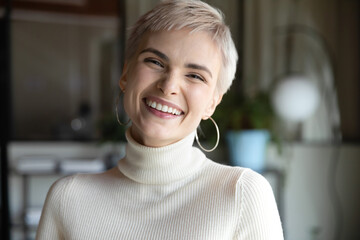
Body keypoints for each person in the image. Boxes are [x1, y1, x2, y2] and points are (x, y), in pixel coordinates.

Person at [36, 0, 284, 239]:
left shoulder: (242, 193)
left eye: (195, 76)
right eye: (155, 62)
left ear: (212, 103)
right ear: (125, 74)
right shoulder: (67, 198)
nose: (169, 86)